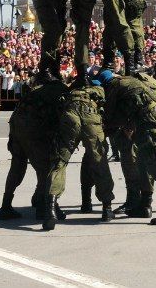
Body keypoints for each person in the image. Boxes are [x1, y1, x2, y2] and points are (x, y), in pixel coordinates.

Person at [101, 70, 156, 225]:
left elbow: (112, 117)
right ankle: (145, 205)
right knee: (142, 161)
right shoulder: (133, 81)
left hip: (152, 122)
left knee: (155, 163)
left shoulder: (114, 86)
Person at [1, 77, 68, 231]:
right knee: (46, 167)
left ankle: (6, 205)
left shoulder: (36, 90)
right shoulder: (59, 91)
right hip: (34, 130)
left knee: (17, 165)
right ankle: (43, 208)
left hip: (17, 126)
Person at [49, 78, 114, 222]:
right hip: (90, 117)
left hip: (70, 115)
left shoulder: (71, 90)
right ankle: (107, 208)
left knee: (60, 162)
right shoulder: (98, 89)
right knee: (99, 161)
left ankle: (51, 207)